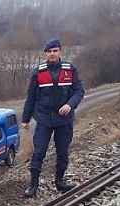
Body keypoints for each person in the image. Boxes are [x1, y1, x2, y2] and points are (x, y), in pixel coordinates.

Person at [21, 38, 85, 197]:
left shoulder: (70, 70)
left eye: (55, 51)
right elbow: (31, 97)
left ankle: (60, 181)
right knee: (39, 152)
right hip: (44, 119)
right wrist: (25, 119)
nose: (52, 54)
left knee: (63, 151)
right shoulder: (38, 72)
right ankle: (33, 185)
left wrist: (70, 104)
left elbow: (79, 91)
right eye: (49, 51)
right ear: (45, 54)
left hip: (64, 120)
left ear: (60, 52)